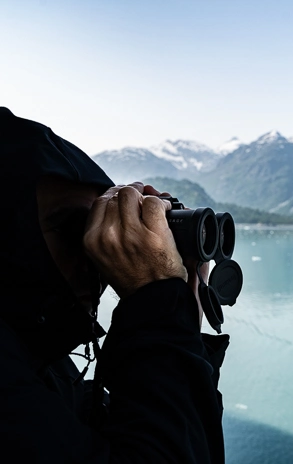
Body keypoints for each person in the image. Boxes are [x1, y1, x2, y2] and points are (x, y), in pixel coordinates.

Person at [0, 107, 230, 463]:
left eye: (97, 224)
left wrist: (182, 307)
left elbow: (176, 437)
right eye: (73, 228)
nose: (95, 251)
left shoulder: (40, 360)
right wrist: (158, 305)